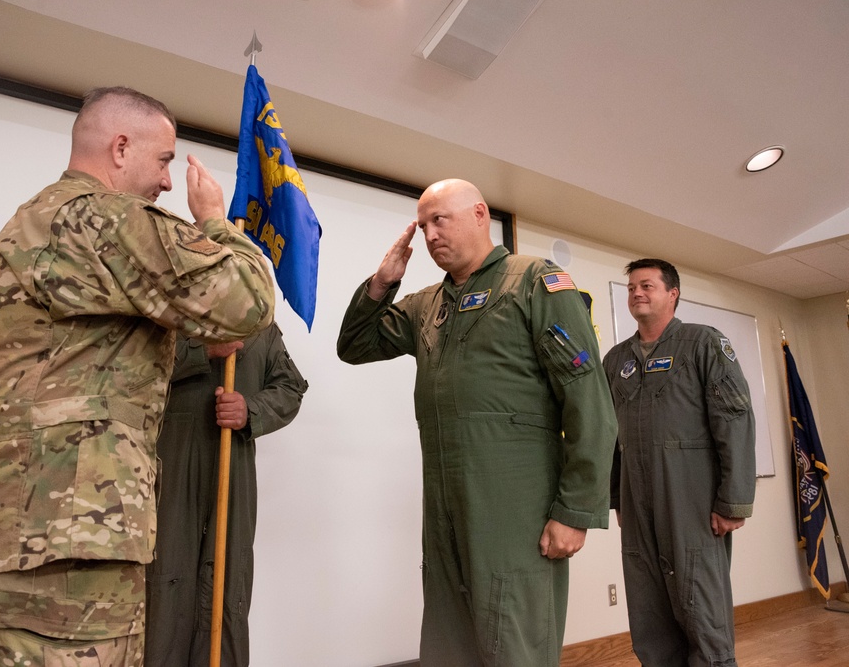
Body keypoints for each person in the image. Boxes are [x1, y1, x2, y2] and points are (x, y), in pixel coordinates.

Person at [0, 86, 275, 667]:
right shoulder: (105, 217)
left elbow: (85, 352)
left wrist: (189, 331)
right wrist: (218, 224)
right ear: (121, 147)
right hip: (69, 547)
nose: (169, 181)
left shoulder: (29, 223)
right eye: (165, 160)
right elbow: (247, 299)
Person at [336, 178, 618, 667]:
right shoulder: (428, 303)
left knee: (515, 644)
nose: (429, 236)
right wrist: (383, 283)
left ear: (480, 214)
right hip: (445, 509)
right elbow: (354, 346)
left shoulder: (535, 282)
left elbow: (588, 399)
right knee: (450, 646)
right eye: (422, 227)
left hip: (515, 510)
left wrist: (575, 510)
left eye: (439, 220)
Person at [603, 258, 755, 667]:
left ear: (673, 294)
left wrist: (732, 501)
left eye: (647, 285)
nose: (637, 292)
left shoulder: (702, 344)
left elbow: (734, 417)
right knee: (649, 613)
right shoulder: (616, 361)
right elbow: (609, 436)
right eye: (632, 286)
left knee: (701, 609)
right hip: (638, 506)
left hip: (691, 502)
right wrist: (617, 497)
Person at [145, 323, 308, 666]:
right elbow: (133, 368)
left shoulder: (259, 327)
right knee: (166, 579)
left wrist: (251, 410)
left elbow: (291, 387)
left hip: (233, 466)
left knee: (227, 580)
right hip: (171, 464)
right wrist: (201, 351)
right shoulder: (170, 316)